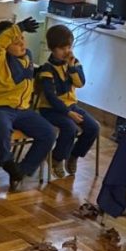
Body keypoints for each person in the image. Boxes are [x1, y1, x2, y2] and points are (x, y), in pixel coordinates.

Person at [0, 18, 55, 192]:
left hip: (23, 110)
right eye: (15, 42)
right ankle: (7, 162)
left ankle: (21, 171)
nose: (21, 43)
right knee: (2, 128)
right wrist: (18, 28)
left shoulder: (27, 56)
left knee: (48, 133)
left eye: (22, 38)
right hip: (0, 107)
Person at [34, 25, 99, 178]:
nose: (67, 51)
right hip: (50, 109)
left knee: (93, 127)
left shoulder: (74, 63)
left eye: (69, 47)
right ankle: (56, 158)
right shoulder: (47, 69)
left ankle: (73, 155)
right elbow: (51, 97)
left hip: (71, 106)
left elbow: (80, 83)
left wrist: (71, 68)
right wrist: (69, 113)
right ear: (52, 48)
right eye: (62, 48)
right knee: (70, 128)